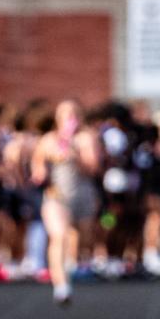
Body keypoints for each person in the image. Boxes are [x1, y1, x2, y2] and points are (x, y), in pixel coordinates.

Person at [32, 99, 101, 305]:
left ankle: (74, 264)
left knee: (84, 237)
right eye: (65, 113)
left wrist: (75, 154)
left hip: (82, 193)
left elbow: (93, 169)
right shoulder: (48, 139)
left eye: (73, 113)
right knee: (59, 236)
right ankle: (61, 286)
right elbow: (38, 167)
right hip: (57, 196)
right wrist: (43, 169)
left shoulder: (86, 138)